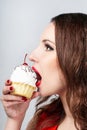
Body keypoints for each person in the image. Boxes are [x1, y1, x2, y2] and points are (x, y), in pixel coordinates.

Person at [1, 13, 87, 130]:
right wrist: (15, 119)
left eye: (48, 47)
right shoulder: (44, 119)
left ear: (79, 61)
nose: (32, 56)